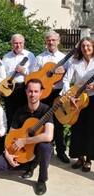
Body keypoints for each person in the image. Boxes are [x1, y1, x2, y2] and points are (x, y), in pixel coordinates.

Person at [0, 79, 54, 196]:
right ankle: (28, 165)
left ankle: (41, 180)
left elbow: (48, 136)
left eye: (36, 91)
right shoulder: (20, 111)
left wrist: (25, 141)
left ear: (41, 93)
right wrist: (7, 154)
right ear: (26, 92)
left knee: (45, 146)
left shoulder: (46, 111)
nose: (33, 94)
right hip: (23, 150)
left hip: (36, 148)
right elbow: (10, 135)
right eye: (30, 91)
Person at [33, 30, 70, 163]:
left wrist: (64, 71)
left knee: (59, 122)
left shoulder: (65, 58)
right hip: (44, 94)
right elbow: (34, 76)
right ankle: (40, 151)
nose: (51, 42)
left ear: (58, 41)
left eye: (53, 40)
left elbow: (70, 76)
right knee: (42, 122)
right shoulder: (40, 58)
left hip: (58, 93)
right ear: (45, 42)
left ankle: (61, 151)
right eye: (48, 40)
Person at [61, 37, 94, 172]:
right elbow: (66, 79)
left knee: (91, 130)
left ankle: (88, 160)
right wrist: (69, 96)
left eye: (88, 45)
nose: (85, 48)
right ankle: (79, 157)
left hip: (93, 99)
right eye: (83, 46)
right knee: (77, 129)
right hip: (77, 99)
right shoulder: (74, 62)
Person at [2, 34, 36, 130]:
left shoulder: (30, 56)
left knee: (24, 114)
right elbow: (3, 75)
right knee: (10, 114)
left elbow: (34, 75)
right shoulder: (6, 57)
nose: (18, 45)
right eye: (16, 43)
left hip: (23, 87)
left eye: (20, 43)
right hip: (9, 88)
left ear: (24, 43)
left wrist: (24, 71)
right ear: (11, 44)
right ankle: (10, 138)